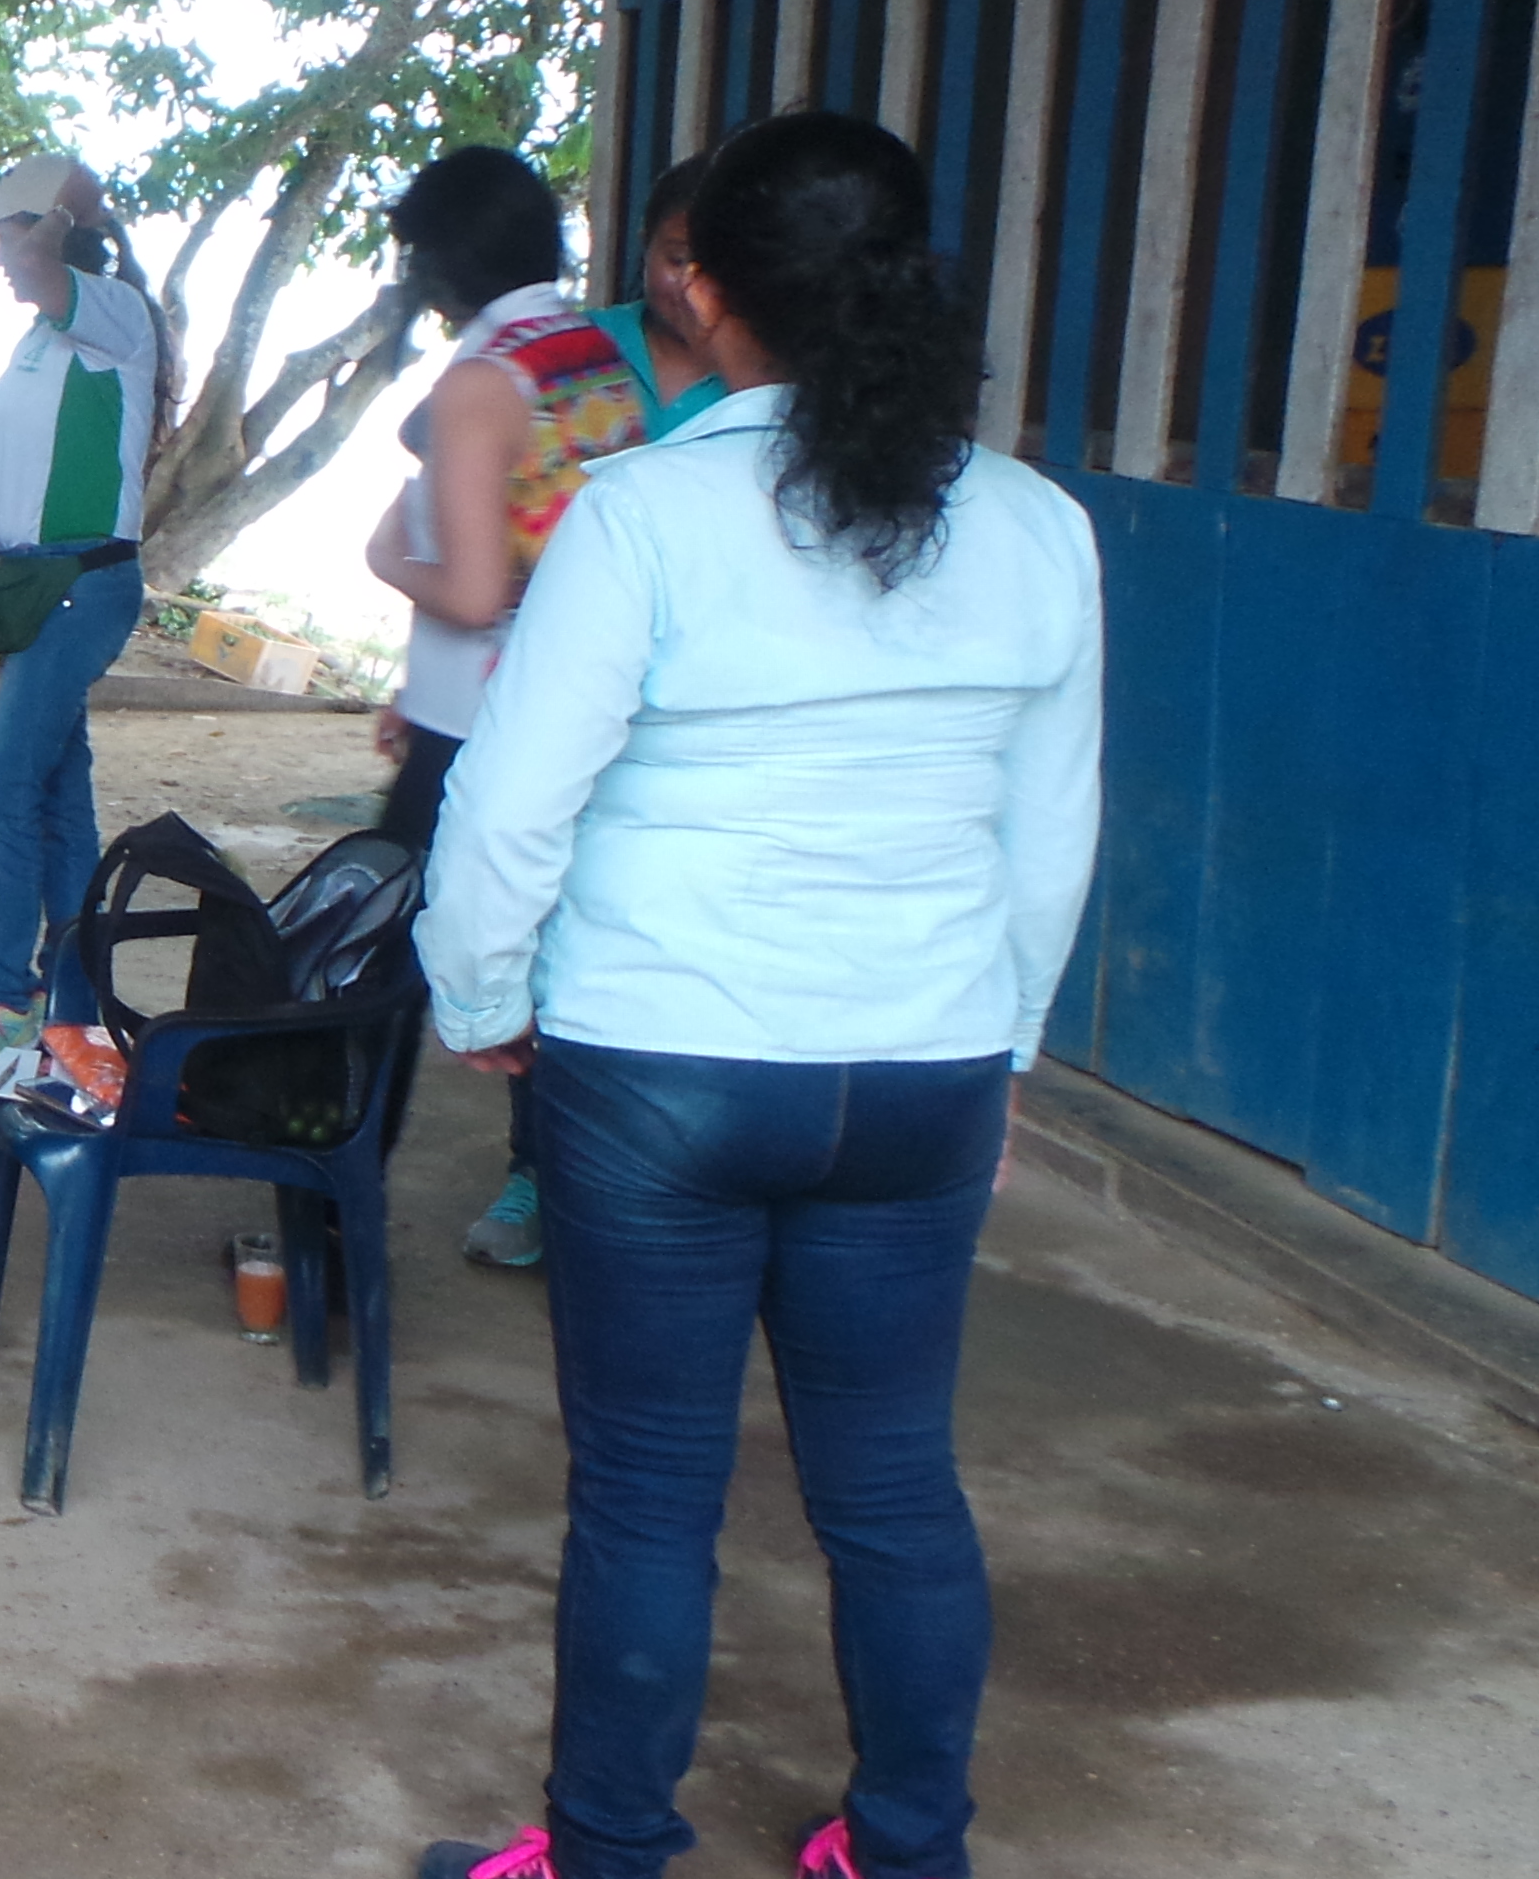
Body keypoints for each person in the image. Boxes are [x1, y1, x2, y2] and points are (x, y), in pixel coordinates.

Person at [409, 110, 1098, 1879]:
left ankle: (605, 1850)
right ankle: (903, 1844)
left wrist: (480, 995)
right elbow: (1047, 840)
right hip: (918, 1068)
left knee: (646, 1491)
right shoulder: (1031, 525)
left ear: (697, 291)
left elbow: (509, 798)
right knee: (889, 1491)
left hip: (663, 1064)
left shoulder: (647, 511)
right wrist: (999, 1051)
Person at [363, 143, 649, 1273]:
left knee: (377, 955)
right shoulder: (596, 359)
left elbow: (476, 590)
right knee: (566, 967)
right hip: (596, 714)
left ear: (437, 269)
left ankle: (334, 1187)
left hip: (481, 727)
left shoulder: (481, 384)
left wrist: (385, 561)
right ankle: (566, 1202)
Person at [0, 153, 170, 1074]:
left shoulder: (112, 313)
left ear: (54, 232)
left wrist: (68, 211)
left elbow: (38, 268)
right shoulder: (41, 339)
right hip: (35, 585)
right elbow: (18, 500)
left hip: (86, 585)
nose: (0, 260)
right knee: (59, 797)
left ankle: (8, 996)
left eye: (8, 232)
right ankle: (74, 1005)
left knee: (2, 792)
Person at [584, 157, 734, 443]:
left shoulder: (765, 376)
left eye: (718, 267)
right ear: (646, 242)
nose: (694, 286)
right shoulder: (582, 341)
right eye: (678, 260)